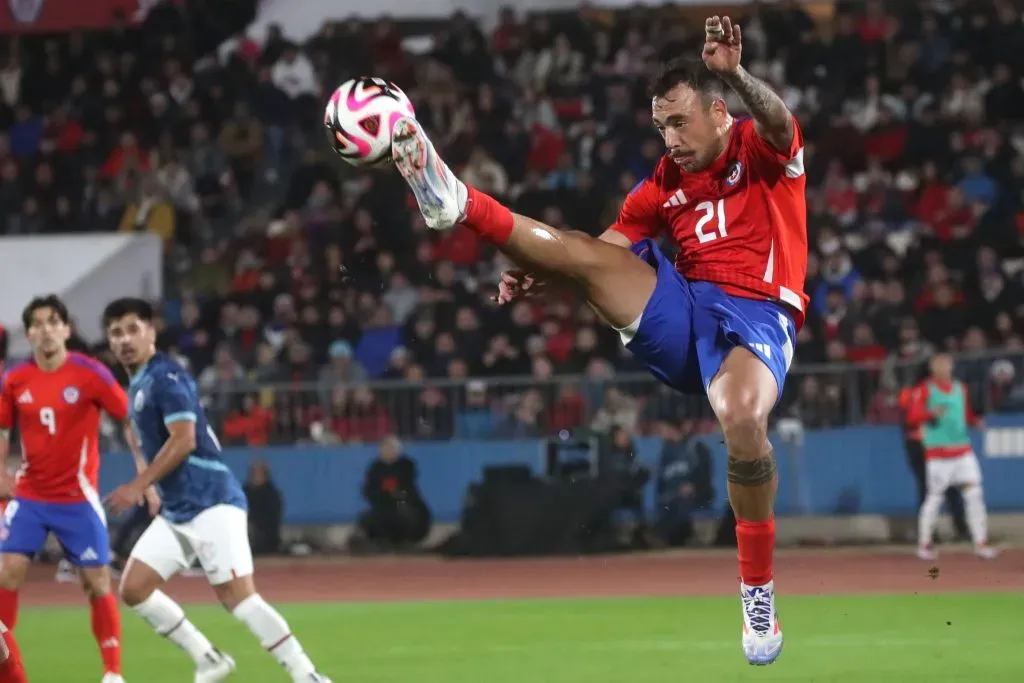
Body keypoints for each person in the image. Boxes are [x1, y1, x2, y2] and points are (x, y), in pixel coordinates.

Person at [390, 15, 800, 665]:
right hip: (684, 311)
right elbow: (600, 253)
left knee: (744, 420)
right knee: (579, 252)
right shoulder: (662, 187)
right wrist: (547, 274)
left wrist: (737, 74)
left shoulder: (760, 147)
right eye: (660, 126)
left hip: (758, 315)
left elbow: (780, 124)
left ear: (719, 112)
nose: (669, 138)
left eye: (680, 122)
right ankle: (457, 202)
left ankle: (757, 594)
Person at [101, 298, 331, 683]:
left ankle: (308, 675)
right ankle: (208, 659)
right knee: (135, 588)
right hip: (178, 510)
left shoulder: (167, 378)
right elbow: (138, 435)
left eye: (132, 329)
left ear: (151, 332)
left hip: (211, 501)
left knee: (239, 599)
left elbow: (185, 439)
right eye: (116, 332)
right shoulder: (138, 384)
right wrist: (152, 487)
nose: (124, 339)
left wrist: (139, 485)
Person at [0, 295, 146, 683]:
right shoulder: (15, 379)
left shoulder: (91, 373)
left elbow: (128, 419)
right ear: (28, 333)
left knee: (96, 581)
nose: (45, 330)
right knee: (8, 572)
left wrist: (142, 472)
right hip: (30, 496)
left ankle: (113, 673)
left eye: (53, 322)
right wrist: (0, 470)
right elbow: (2, 429)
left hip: (77, 499)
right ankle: (4, 664)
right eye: (37, 324)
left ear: (66, 328)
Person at [905, 353, 997, 561]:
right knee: (935, 498)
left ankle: (980, 543)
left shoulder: (959, 388)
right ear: (933, 370)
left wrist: (975, 422)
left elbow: (964, 414)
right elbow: (911, 417)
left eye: (947, 366)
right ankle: (924, 544)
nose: (945, 370)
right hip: (938, 453)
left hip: (962, 450)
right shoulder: (924, 390)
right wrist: (930, 414)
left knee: (974, 495)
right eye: (941, 367)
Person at [899, 374, 969, 541]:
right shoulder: (911, 393)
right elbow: (909, 418)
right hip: (919, 444)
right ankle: (929, 533)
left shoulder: (940, 392)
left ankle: (961, 528)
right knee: (928, 487)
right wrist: (930, 414)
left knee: (950, 485)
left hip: (939, 443)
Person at [356, 435, 431, 549]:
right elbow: (369, 490)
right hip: (382, 509)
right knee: (367, 519)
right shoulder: (375, 468)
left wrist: (396, 495)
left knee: (408, 518)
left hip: (405, 508)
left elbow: (407, 490)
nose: (386, 451)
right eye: (384, 448)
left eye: (390, 448)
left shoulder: (406, 466)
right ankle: (382, 543)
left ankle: (406, 543)